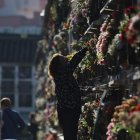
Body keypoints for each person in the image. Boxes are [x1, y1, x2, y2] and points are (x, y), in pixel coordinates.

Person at [48, 47, 88, 140]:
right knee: (71, 135)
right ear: (59, 63)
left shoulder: (60, 74)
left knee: (70, 135)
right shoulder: (63, 73)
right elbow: (74, 61)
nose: (65, 57)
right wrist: (85, 50)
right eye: (63, 57)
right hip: (69, 110)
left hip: (67, 110)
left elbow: (70, 90)